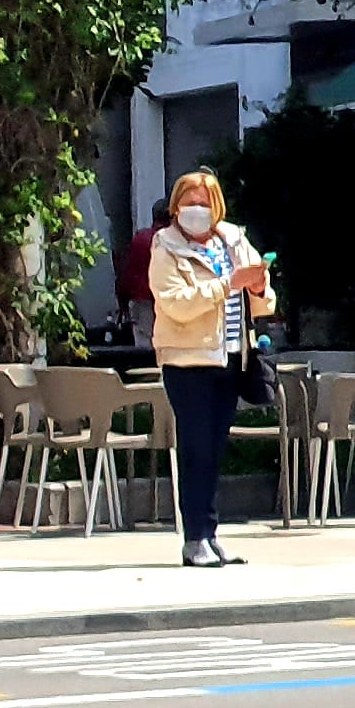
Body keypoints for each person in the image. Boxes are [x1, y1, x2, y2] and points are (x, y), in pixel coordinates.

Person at [148, 168, 273, 568]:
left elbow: (265, 299)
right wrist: (228, 284)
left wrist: (257, 286)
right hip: (188, 361)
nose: (196, 210)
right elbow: (175, 303)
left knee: (216, 449)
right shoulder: (165, 245)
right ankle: (195, 537)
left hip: (232, 356)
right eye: (189, 202)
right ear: (176, 206)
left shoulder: (234, 238)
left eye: (204, 202)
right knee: (196, 448)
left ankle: (212, 534)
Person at [124, 194, 166, 356]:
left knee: (144, 346)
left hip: (141, 299)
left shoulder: (140, 238)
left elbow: (128, 271)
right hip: (167, 300)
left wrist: (123, 299)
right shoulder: (173, 241)